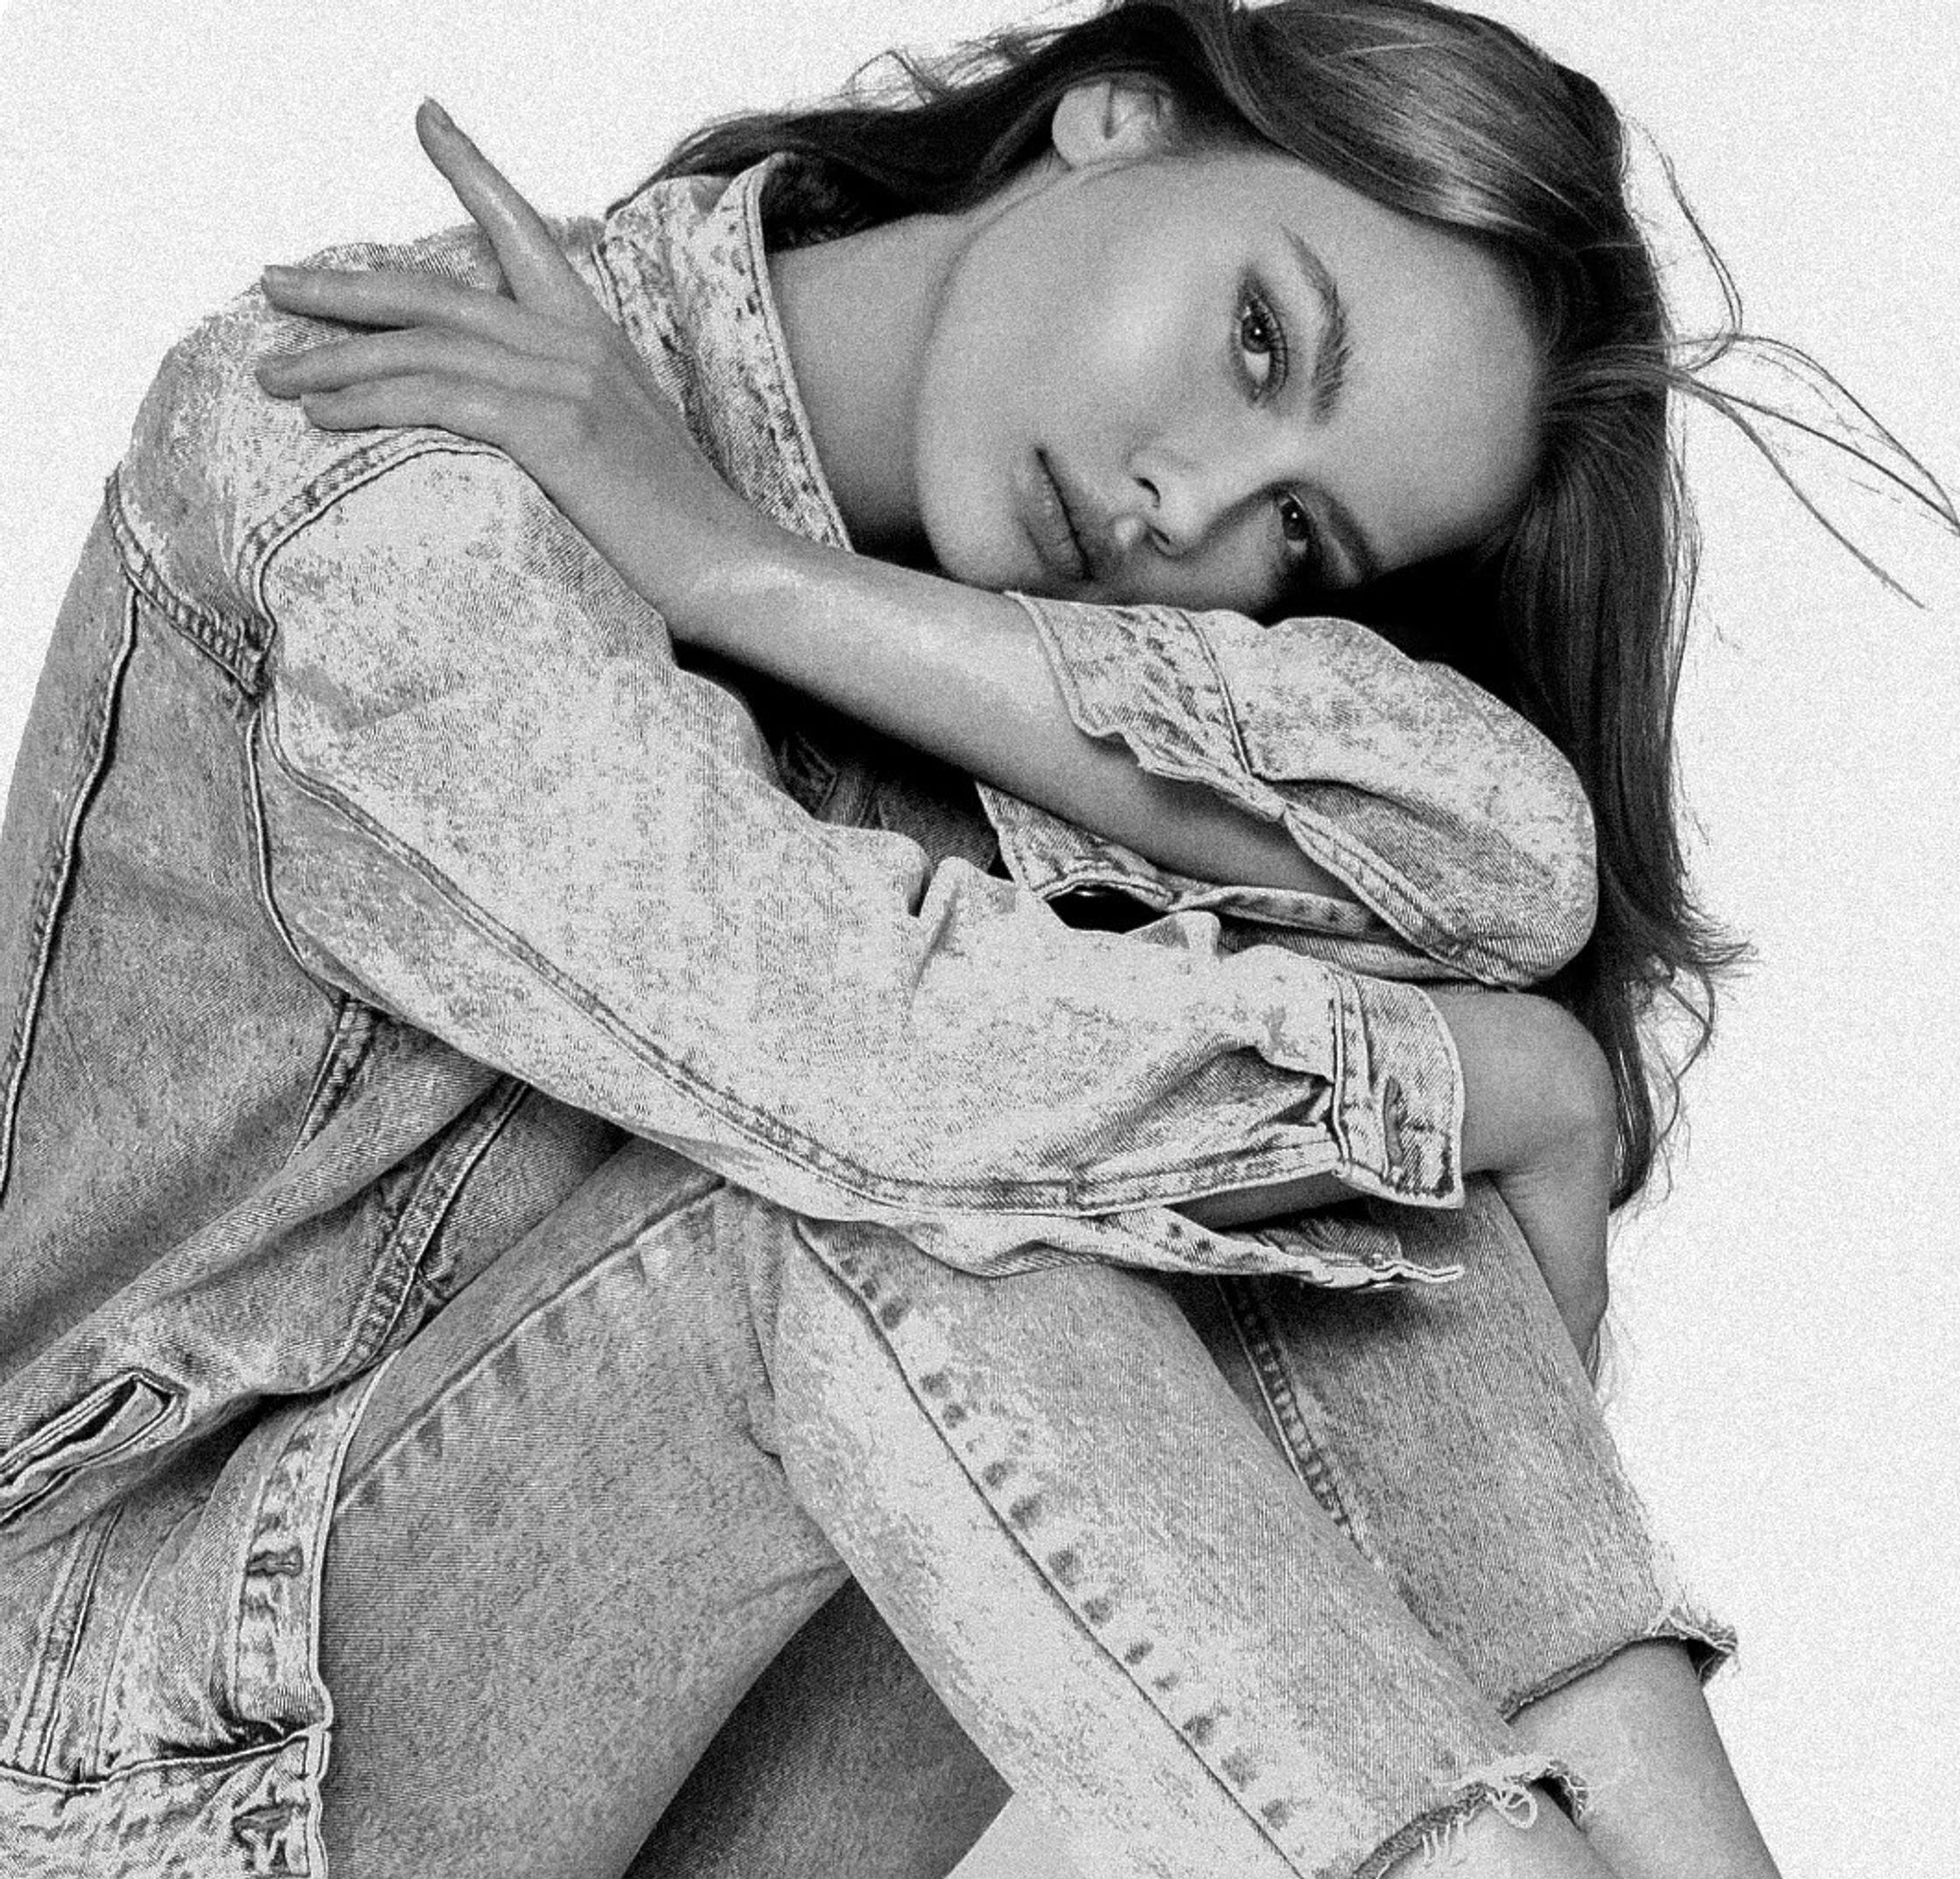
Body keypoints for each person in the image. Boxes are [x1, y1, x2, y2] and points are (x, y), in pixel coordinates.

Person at [0, 3, 1947, 1875]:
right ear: (1119, 112)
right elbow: (861, 1050)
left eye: (1298, 541)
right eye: (1259, 340)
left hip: (611, 1774)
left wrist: (745, 578)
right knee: (950, 1185)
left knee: (1270, 1177)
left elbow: (1507, 854)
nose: (1190, 508)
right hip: (121, 1760)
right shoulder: (383, 427)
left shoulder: (997, 668)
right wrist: (1473, 1082)